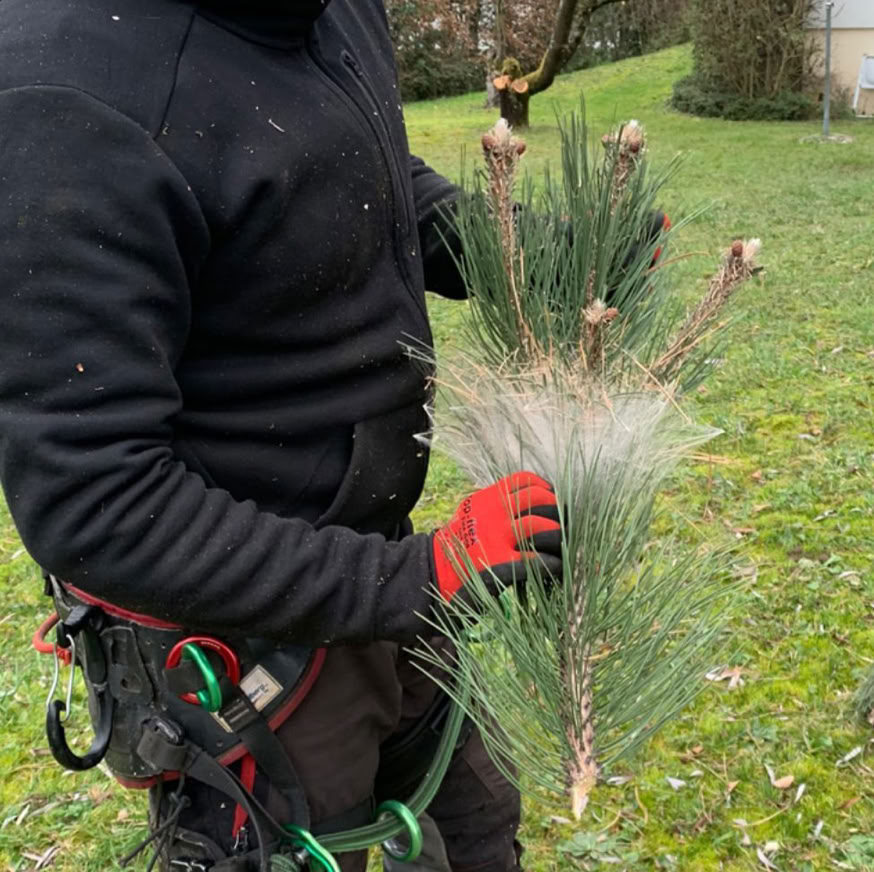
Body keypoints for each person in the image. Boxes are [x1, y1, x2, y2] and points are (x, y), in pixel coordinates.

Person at [0, 1, 564, 870]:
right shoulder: (69, 90)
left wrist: (532, 254)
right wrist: (422, 578)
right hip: (247, 646)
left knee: (476, 831)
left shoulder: (329, 13)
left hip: (383, 572)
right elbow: (96, 502)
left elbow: (353, 168)